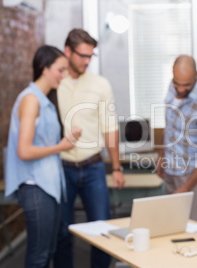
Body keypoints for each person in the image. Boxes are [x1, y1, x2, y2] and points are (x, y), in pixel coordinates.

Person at [53, 29, 125, 268]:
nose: (86, 61)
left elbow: (110, 126)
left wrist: (116, 167)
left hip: (93, 167)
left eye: (90, 56)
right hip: (60, 168)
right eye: (82, 55)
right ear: (67, 52)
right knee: (62, 232)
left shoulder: (100, 84)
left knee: (102, 230)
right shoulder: (54, 82)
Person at [5, 45, 81, 268]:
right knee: (39, 255)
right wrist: (61, 146)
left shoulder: (45, 100)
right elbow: (24, 151)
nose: (64, 75)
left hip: (48, 185)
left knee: (48, 251)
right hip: (36, 187)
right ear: (43, 68)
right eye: (60, 70)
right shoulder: (31, 100)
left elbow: (41, 143)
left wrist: (65, 141)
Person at [156, 55, 197, 220]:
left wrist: (186, 188)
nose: (180, 89)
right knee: (171, 223)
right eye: (177, 83)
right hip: (172, 169)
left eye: (186, 85)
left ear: (196, 75)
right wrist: (162, 157)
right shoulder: (172, 88)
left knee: (194, 227)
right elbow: (169, 127)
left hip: (195, 174)